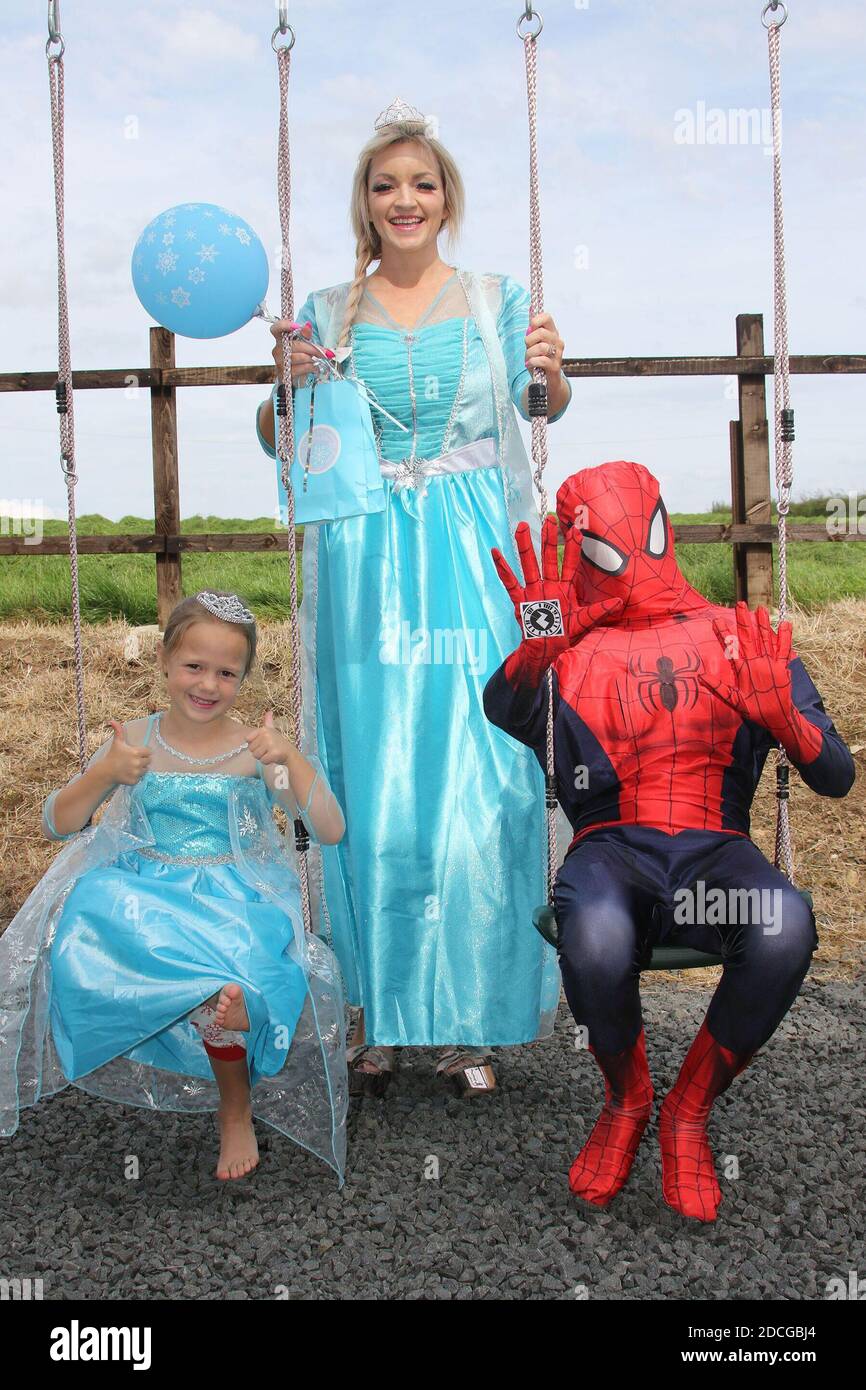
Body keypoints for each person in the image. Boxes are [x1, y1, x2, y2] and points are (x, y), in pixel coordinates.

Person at [256, 99, 572, 1096]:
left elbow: (542, 405)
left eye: (421, 183)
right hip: (362, 555)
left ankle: (470, 1012)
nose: (404, 199)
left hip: (474, 548)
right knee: (374, 773)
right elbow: (283, 438)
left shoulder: (495, 297)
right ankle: (376, 1015)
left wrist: (554, 376)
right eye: (385, 183)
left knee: (477, 772)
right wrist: (282, 391)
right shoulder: (323, 309)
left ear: (445, 199)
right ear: (365, 201)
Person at [484, 460, 855, 1220]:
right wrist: (538, 645)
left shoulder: (740, 635)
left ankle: (687, 1111)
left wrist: (782, 717)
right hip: (612, 855)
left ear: (664, 525)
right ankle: (628, 1099)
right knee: (592, 937)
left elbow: (837, 774)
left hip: (718, 853)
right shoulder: (571, 644)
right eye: (598, 544)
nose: (624, 560)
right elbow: (504, 706)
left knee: (783, 928)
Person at [0, 590, 348, 1183]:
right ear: (164, 660)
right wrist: (108, 773)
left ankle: (234, 1106)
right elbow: (58, 822)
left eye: (226, 672)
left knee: (227, 985)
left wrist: (289, 758)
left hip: (232, 897)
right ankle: (183, 1014)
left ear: (243, 677)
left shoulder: (256, 751)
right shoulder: (135, 739)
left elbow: (330, 829)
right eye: (194, 666)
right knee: (92, 907)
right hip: (146, 894)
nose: (208, 684)